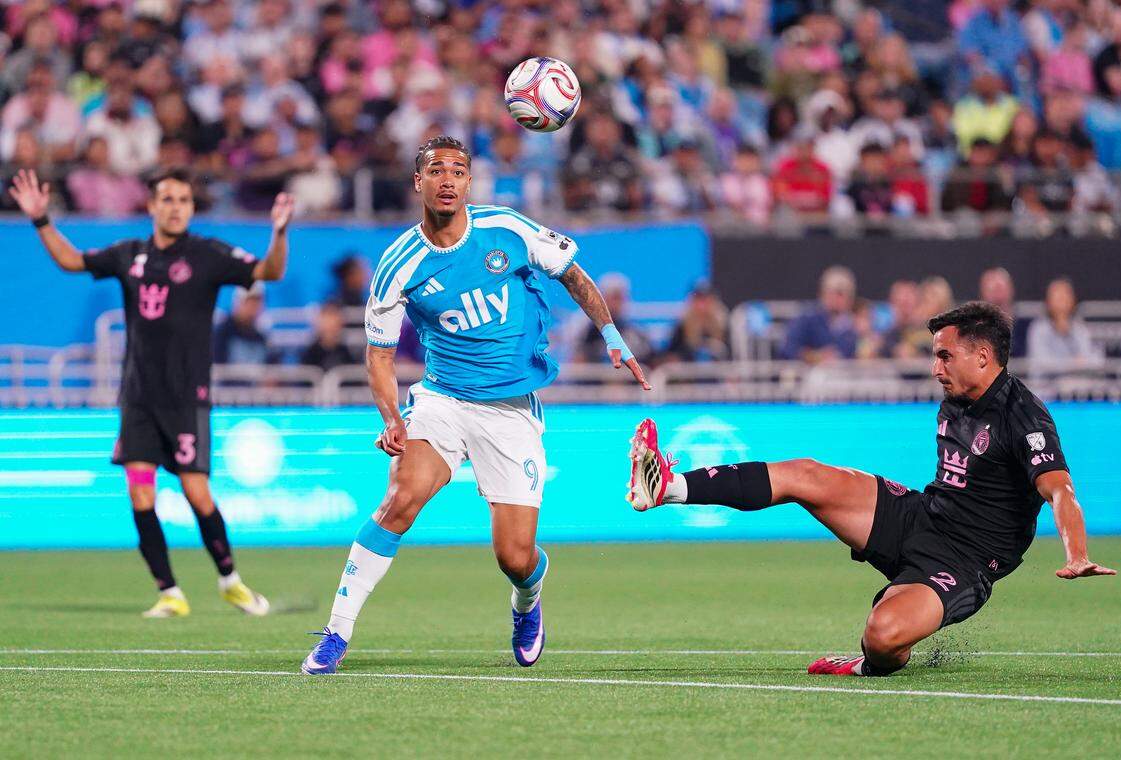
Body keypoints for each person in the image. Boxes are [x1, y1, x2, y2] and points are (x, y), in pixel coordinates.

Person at [301, 136, 651, 675]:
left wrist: (612, 336)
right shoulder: (398, 263)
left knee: (515, 557)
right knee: (400, 498)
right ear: (418, 182)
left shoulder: (507, 228)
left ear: (470, 182)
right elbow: (379, 354)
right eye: (436, 170)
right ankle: (336, 633)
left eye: (458, 171)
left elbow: (574, 275)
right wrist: (393, 420)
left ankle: (528, 601)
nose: (447, 180)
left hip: (510, 411)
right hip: (442, 401)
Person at [629, 301, 1114, 677]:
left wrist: (1077, 553)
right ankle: (667, 486)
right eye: (934, 356)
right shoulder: (958, 397)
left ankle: (866, 663)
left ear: (983, 357)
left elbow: (1060, 491)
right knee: (807, 474)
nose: (935, 367)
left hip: (966, 562)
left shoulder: (1024, 416)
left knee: (882, 636)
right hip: (923, 517)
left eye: (945, 355)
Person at [7, 167, 294, 618]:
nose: (175, 206)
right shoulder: (129, 255)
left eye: (183, 199)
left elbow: (270, 271)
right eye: (167, 198)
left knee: (198, 493)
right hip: (138, 397)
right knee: (140, 494)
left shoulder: (208, 255)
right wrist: (41, 220)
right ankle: (169, 592)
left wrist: (279, 233)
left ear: (192, 208)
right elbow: (72, 261)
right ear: (152, 206)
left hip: (186, 399)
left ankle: (230, 581)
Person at [781, 266, 858, 363]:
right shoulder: (807, 320)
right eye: (834, 293)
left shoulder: (854, 325)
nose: (837, 299)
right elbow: (788, 348)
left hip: (844, 376)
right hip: (810, 375)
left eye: (842, 294)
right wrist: (813, 356)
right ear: (823, 293)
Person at [1027, 278, 1099, 365]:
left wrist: (1082, 363)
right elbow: (1042, 363)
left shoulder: (1080, 329)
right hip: (1049, 378)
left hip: (1078, 376)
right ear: (1048, 301)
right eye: (1057, 296)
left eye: (1065, 295)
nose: (1062, 300)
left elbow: (1092, 358)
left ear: (1073, 301)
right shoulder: (1038, 329)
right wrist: (1072, 363)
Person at [300, 301, 357, 371]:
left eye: (335, 316)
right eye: (328, 316)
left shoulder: (346, 354)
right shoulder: (309, 354)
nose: (331, 322)